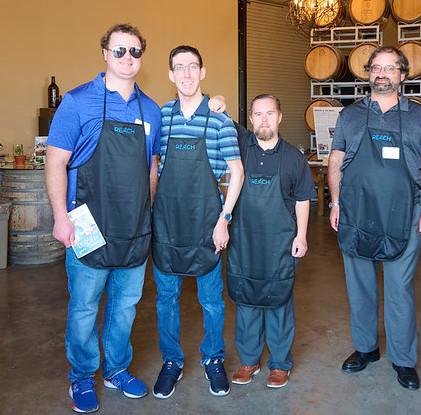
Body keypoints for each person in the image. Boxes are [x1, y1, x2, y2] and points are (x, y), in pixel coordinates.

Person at [45, 23, 162, 413]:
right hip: (87, 225)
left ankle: (116, 370)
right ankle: (81, 377)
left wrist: (146, 213)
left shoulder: (151, 110)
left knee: (125, 306)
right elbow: (55, 162)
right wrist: (60, 217)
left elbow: (151, 168)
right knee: (84, 307)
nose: (128, 58)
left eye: (135, 51)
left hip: (133, 228)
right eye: (119, 51)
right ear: (105, 55)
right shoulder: (78, 101)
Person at [327, 46, 421, 390]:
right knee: (359, 286)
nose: (382, 74)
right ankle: (366, 348)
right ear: (368, 73)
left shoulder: (419, 116)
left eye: (390, 68)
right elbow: (335, 161)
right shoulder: (350, 115)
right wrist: (335, 203)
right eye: (376, 67)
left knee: (399, 289)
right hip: (356, 212)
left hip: (404, 213)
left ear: (402, 75)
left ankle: (403, 360)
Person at [151, 45, 244, 399]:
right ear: (170, 75)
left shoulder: (219, 120)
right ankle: (171, 361)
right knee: (166, 298)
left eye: (193, 66)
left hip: (207, 222)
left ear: (203, 72)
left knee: (211, 300)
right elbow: (153, 165)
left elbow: (237, 172)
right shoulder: (162, 116)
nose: (186, 74)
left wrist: (224, 219)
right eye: (179, 67)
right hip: (167, 223)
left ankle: (213, 358)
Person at [226, 94, 315, 389]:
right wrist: (216, 101)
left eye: (269, 114)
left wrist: (301, 235)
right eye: (258, 114)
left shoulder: (294, 158)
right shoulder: (241, 147)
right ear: (251, 119)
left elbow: (302, 198)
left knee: (279, 301)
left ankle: (279, 363)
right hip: (244, 241)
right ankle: (249, 360)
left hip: (280, 243)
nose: (264, 120)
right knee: (246, 299)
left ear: (279, 117)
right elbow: (218, 113)